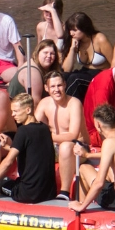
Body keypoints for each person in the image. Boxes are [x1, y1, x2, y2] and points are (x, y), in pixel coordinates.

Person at [0, 93, 59, 204]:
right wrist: (8, 147)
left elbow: (8, 162)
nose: (13, 115)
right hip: (48, 192)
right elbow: (32, 152)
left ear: (28, 110)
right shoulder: (45, 129)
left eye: (16, 111)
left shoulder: (23, 131)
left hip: (27, 194)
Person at [35, 69, 86, 198]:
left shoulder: (74, 103)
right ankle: (35, 188)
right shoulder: (44, 103)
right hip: (54, 146)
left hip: (78, 147)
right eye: (52, 86)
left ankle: (64, 192)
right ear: (46, 88)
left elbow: (73, 135)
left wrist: (46, 138)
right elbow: (34, 127)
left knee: (65, 146)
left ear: (65, 85)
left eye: (59, 85)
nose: (56, 89)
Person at [60, 12, 113, 97]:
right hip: (85, 73)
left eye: (75, 30)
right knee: (63, 77)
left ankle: (71, 106)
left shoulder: (99, 39)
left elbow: (114, 63)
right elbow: (66, 70)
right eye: (70, 29)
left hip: (101, 74)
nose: (71, 33)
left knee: (75, 79)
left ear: (84, 28)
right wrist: (72, 49)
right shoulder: (75, 40)